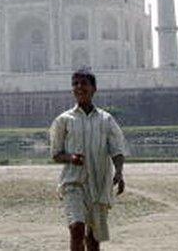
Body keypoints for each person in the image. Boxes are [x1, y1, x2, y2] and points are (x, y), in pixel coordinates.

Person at [50, 69, 127, 250]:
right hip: (73, 183)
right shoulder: (64, 120)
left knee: (93, 237)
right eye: (75, 84)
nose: (79, 87)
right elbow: (55, 154)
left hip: (99, 184)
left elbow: (117, 149)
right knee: (76, 228)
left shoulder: (106, 120)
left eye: (83, 83)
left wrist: (120, 172)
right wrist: (70, 157)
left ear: (94, 89)